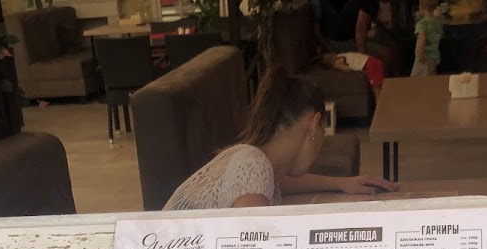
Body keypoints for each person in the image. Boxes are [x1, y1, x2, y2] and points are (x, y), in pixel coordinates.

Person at [164, 68, 398, 210]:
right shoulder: (252, 164)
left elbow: (280, 182)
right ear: (314, 123)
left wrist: (340, 183)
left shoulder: (256, 164)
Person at [327, 0, 398, 75]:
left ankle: (395, 74)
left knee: (389, 42)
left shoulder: (373, 3)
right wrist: (362, 56)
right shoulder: (369, 2)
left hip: (348, 38)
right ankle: (383, 79)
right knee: (385, 53)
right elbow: (360, 28)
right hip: (341, 43)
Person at [322, 50, 387, 101]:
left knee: (376, 90)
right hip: (374, 61)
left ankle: (380, 109)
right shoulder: (342, 55)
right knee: (381, 86)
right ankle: (385, 103)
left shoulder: (336, 63)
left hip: (369, 65)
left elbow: (347, 69)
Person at [412, 0, 444, 76]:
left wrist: (420, 54)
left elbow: (422, 38)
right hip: (434, 57)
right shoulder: (438, 23)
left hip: (424, 58)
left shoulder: (422, 23)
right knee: (430, 78)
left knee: (416, 79)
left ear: (421, 7)